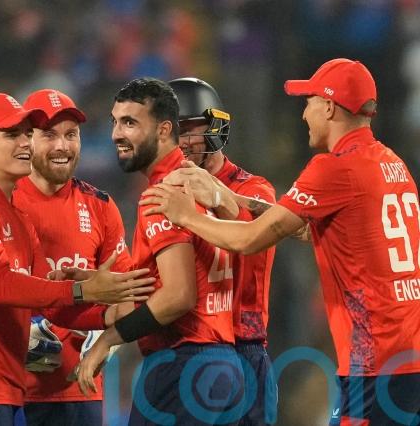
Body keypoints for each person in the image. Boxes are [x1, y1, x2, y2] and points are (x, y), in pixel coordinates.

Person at [141, 59, 420, 424]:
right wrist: (227, 196)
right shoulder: (393, 164)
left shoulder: (333, 168)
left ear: (329, 106)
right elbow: (300, 227)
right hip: (409, 351)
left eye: (309, 101)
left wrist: (188, 216)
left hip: (376, 360)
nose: (304, 114)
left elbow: (249, 239)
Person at [0, 93, 155, 425]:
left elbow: (51, 299)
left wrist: (108, 318)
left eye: (27, 133)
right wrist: (81, 292)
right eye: (14, 134)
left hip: (23, 389)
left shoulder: (23, 218)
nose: (25, 142)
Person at [75, 77, 245, 425]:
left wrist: (108, 340)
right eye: (115, 122)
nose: (116, 134)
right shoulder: (202, 183)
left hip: (184, 366)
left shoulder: (163, 195)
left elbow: (178, 296)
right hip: (224, 365)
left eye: (130, 123)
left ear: (165, 130)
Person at [14, 89, 133, 425]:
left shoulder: (100, 207)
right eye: (49, 135)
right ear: (26, 138)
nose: (62, 146)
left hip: (82, 391)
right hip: (12, 393)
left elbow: (128, 293)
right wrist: (17, 334)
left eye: (71, 135)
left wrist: (107, 339)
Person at [167, 77, 278, 425]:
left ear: (214, 128)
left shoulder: (254, 187)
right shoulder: (169, 191)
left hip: (245, 347)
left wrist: (216, 196)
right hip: (187, 348)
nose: (182, 142)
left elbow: (258, 230)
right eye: (174, 132)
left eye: (190, 130)